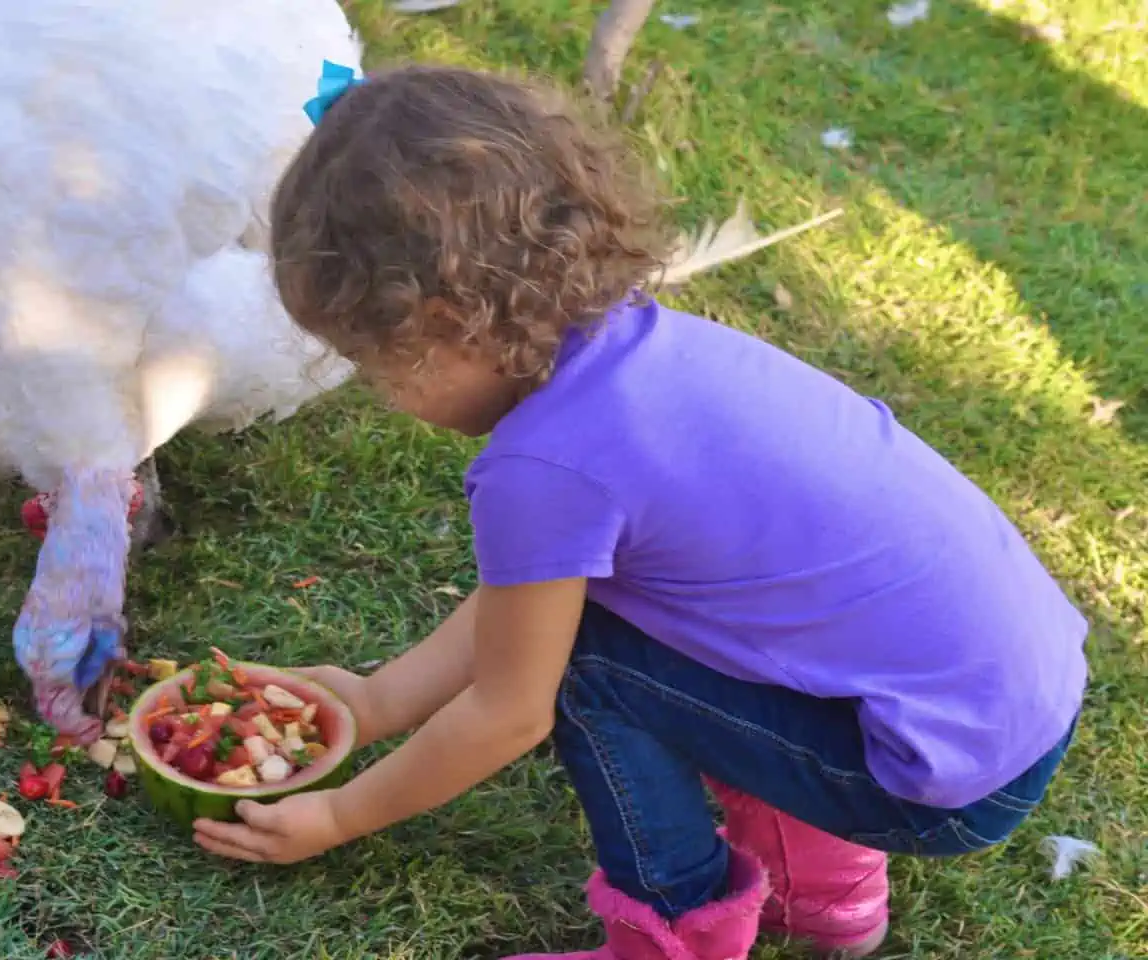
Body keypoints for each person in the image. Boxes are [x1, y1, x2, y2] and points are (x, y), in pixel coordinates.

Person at [191, 64, 1087, 960]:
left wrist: (343, 813)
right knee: (607, 622)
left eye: (381, 365)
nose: (386, 395)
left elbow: (511, 707)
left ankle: (671, 936)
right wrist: (378, 699)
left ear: (447, 323)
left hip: (935, 773)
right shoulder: (638, 348)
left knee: (586, 666)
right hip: (993, 709)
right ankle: (824, 897)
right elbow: (523, 607)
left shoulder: (542, 468)